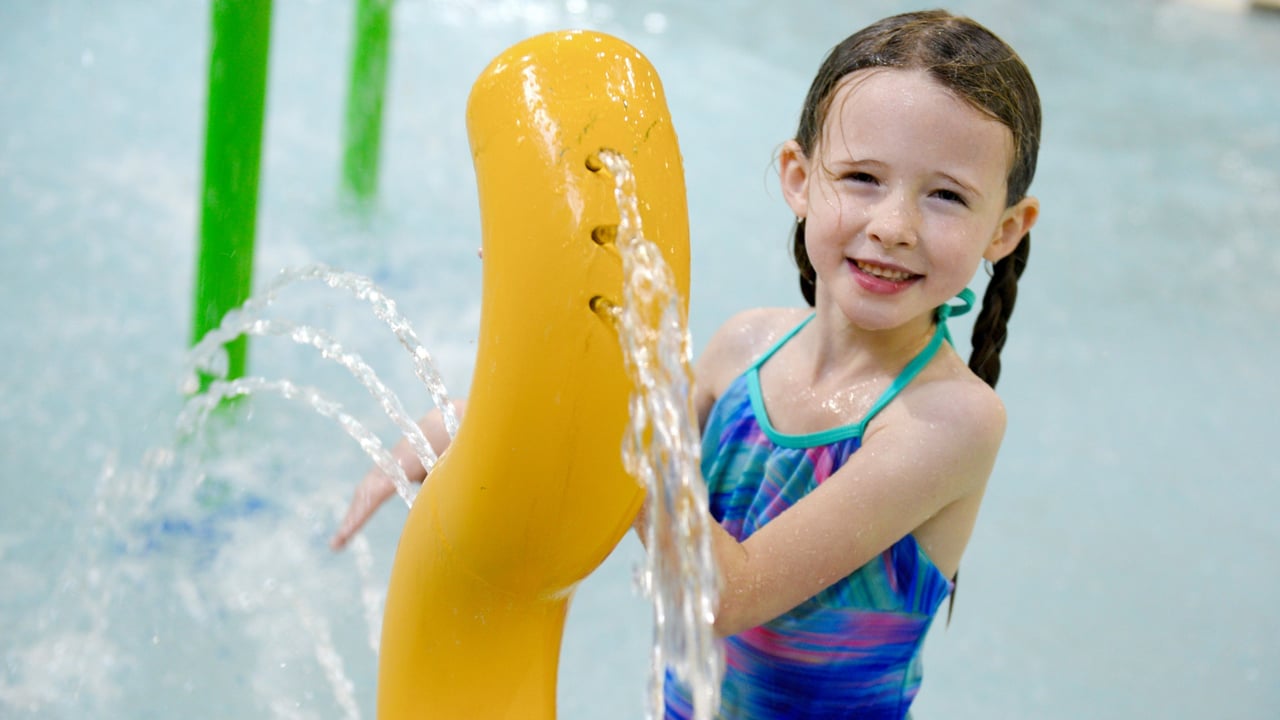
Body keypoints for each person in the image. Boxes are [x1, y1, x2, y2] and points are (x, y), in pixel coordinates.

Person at [332, 9, 1040, 719]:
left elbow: (721, 593)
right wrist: (487, 405)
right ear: (798, 177)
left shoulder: (951, 420)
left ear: (1005, 229)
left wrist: (611, 363)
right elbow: (614, 483)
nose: (893, 226)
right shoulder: (743, 349)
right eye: (861, 177)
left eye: (946, 196)